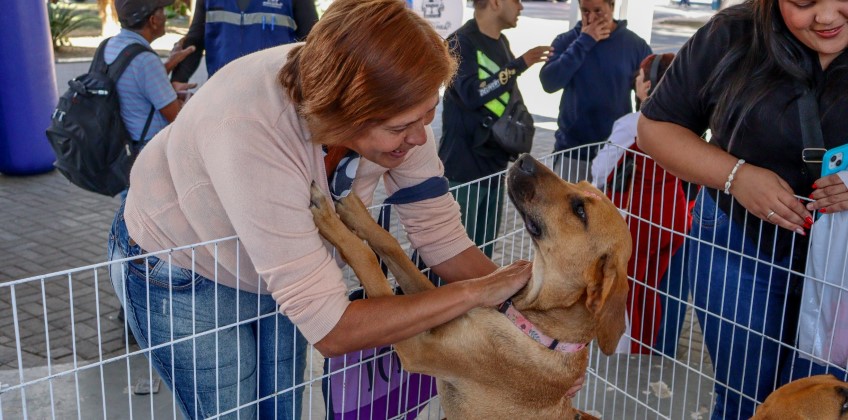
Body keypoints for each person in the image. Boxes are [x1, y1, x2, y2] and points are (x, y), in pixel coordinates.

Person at [107, 0, 584, 418]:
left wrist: (540, 345)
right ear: (344, 115)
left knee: (281, 409)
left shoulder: (398, 103)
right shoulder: (251, 129)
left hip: (275, 269)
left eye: (427, 114)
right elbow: (332, 330)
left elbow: (442, 239)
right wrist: (475, 294)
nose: (420, 137)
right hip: (183, 267)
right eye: (404, 125)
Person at [637, 0, 848, 418]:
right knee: (744, 401)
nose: (825, 18)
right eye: (803, 4)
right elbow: (654, 128)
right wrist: (735, 176)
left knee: (830, 401)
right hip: (739, 244)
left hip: (841, 265)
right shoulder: (730, 34)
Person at [592, 53, 692, 355]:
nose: (635, 80)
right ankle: (661, 348)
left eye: (639, 76)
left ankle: (630, 352)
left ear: (648, 86)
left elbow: (600, 170)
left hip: (639, 219)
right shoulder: (685, 122)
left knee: (630, 290)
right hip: (673, 216)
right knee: (662, 290)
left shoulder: (634, 123)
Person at [438, 0, 551, 257]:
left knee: (484, 252)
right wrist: (519, 65)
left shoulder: (501, 43)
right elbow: (472, 94)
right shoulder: (460, 42)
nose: (521, 7)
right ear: (496, 3)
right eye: (516, 0)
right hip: (462, 169)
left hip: (494, 167)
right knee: (456, 256)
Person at [539, 0, 651, 181]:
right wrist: (584, 42)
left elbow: (647, 96)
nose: (590, 18)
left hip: (616, 152)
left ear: (612, 7)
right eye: (585, 11)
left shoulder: (634, 45)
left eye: (598, 11)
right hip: (573, 151)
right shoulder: (566, 40)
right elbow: (549, 82)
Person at [109, 0, 196, 151]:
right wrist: (185, 97)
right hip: (146, 149)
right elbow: (175, 115)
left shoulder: (109, 45)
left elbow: (134, 78)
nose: (165, 16)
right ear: (153, 21)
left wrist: (170, 63)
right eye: (162, 10)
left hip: (117, 142)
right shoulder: (146, 60)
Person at [169, 0, 318, 82]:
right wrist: (178, 80)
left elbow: (312, 42)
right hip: (220, 90)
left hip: (273, 95)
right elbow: (195, 39)